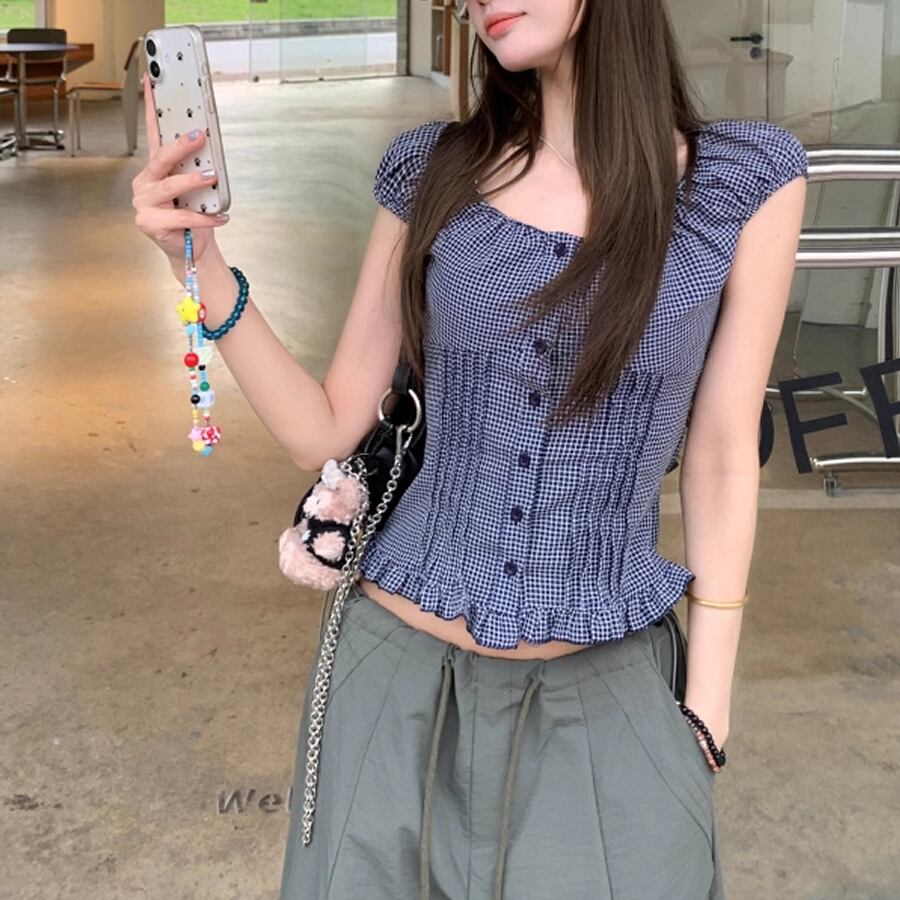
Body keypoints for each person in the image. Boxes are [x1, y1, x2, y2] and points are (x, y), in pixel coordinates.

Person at [131, 0, 808, 896]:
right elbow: (322, 430)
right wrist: (200, 261)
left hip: (607, 694)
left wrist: (708, 702)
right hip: (393, 686)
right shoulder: (434, 172)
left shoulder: (741, 183)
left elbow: (721, 450)